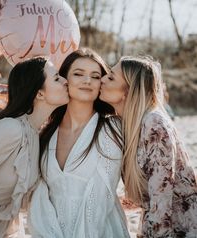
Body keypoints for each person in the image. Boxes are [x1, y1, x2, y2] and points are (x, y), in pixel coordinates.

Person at [0, 57, 69, 238]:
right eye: (57, 78)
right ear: (39, 94)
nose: (65, 81)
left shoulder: (35, 135)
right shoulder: (10, 129)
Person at [28, 48, 130, 238]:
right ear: (65, 79)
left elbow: (100, 199)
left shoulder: (111, 129)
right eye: (78, 74)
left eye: (95, 76)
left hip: (100, 232)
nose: (87, 81)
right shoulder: (47, 133)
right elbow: (40, 198)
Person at [100, 55, 197, 237]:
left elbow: (162, 200)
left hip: (181, 227)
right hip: (156, 221)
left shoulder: (154, 123)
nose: (102, 79)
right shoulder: (128, 125)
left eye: (111, 77)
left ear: (127, 92)